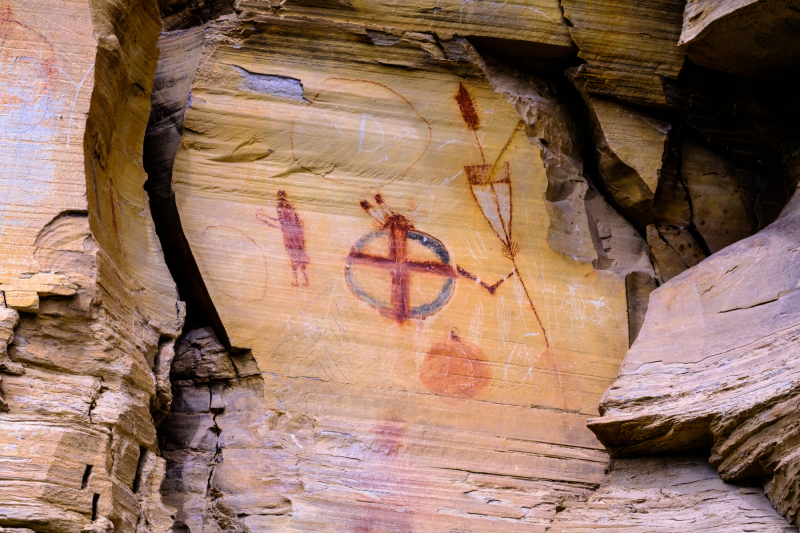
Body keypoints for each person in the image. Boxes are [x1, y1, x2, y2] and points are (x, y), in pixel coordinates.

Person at [256, 190, 309, 286]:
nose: (280, 202)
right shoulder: (290, 207)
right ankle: (301, 279)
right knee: (298, 257)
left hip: (291, 236)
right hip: (294, 235)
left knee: (294, 257)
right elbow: (294, 222)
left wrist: (263, 218)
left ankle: (300, 279)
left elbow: (280, 223)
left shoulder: (282, 208)